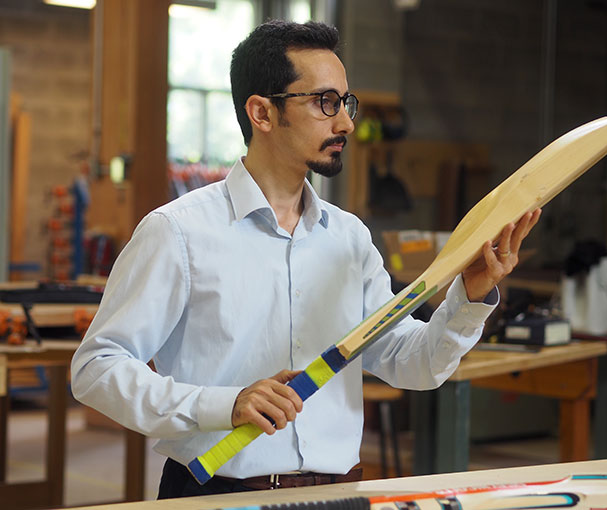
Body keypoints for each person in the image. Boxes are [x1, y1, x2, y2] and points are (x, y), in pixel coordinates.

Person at [70, 19, 540, 498]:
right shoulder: (179, 232)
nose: (346, 123)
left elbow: (410, 363)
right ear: (263, 113)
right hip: (219, 494)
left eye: (344, 102)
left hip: (338, 495)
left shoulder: (349, 238)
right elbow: (96, 368)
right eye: (324, 103)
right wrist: (225, 405)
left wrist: (469, 296)